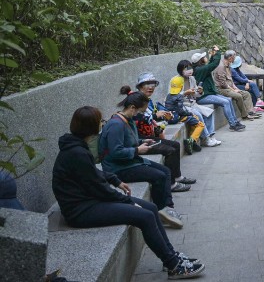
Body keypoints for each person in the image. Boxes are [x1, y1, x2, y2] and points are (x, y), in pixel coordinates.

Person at [52, 106, 205, 279]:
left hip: (89, 200)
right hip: (80, 210)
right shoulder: (76, 152)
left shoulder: (76, 146)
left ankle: (172, 256)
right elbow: (99, 188)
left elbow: (92, 173)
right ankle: (174, 266)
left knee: (151, 208)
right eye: (99, 121)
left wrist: (114, 179)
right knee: (144, 216)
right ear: (91, 126)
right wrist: (127, 201)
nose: (102, 124)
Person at [98, 90, 183, 228]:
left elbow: (128, 141)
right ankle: (162, 210)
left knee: (165, 171)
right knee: (159, 176)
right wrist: (137, 150)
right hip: (118, 168)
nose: (140, 115)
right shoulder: (116, 124)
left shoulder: (127, 120)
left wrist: (142, 141)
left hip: (131, 161)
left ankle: (168, 209)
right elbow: (115, 152)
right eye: (140, 111)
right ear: (132, 108)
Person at [130, 80, 196, 194]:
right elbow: (140, 120)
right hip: (141, 140)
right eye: (147, 85)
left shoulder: (147, 101)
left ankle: (177, 177)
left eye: (153, 85)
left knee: (175, 144)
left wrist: (162, 118)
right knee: (169, 150)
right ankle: (171, 184)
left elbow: (150, 121)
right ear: (140, 87)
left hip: (147, 136)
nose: (151, 87)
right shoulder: (136, 101)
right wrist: (156, 116)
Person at [169, 60, 223, 147]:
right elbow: (172, 97)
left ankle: (211, 136)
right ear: (180, 70)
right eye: (186, 69)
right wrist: (185, 93)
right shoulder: (175, 80)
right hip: (182, 106)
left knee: (209, 112)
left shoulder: (192, 79)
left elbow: (196, 95)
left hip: (193, 104)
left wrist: (200, 92)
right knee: (198, 115)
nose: (189, 71)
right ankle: (205, 138)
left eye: (190, 68)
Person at [192, 48, 246, 132]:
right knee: (225, 102)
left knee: (228, 100)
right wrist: (217, 52)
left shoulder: (201, 68)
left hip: (209, 93)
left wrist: (213, 56)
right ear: (200, 60)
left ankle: (235, 122)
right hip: (203, 96)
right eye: (203, 57)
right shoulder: (200, 70)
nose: (205, 57)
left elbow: (210, 64)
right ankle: (232, 124)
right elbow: (214, 64)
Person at [213, 50, 258, 121]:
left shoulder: (229, 67)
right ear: (230, 58)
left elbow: (231, 81)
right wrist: (234, 90)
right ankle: (244, 115)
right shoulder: (221, 67)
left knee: (246, 94)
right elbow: (223, 83)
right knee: (239, 96)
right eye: (234, 56)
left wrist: (236, 88)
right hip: (222, 89)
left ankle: (250, 112)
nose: (235, 58)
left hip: (229, 87)